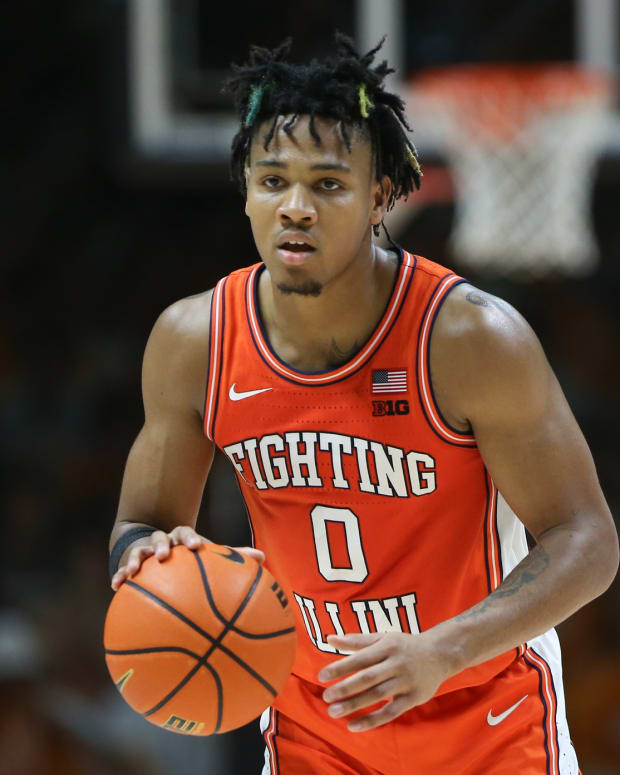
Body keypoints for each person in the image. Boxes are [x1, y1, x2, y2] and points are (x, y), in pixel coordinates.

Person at [108, 35, 618, 774]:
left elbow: (588, 540)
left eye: (327, 184)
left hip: (488, 720)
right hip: (316, 728)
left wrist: (442, 650)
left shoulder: (469, 338)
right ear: (245, 189)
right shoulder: (196, 342)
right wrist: (145, 557)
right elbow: (140, 523)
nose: (296, 207)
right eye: (273, 179)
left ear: (380, 194)